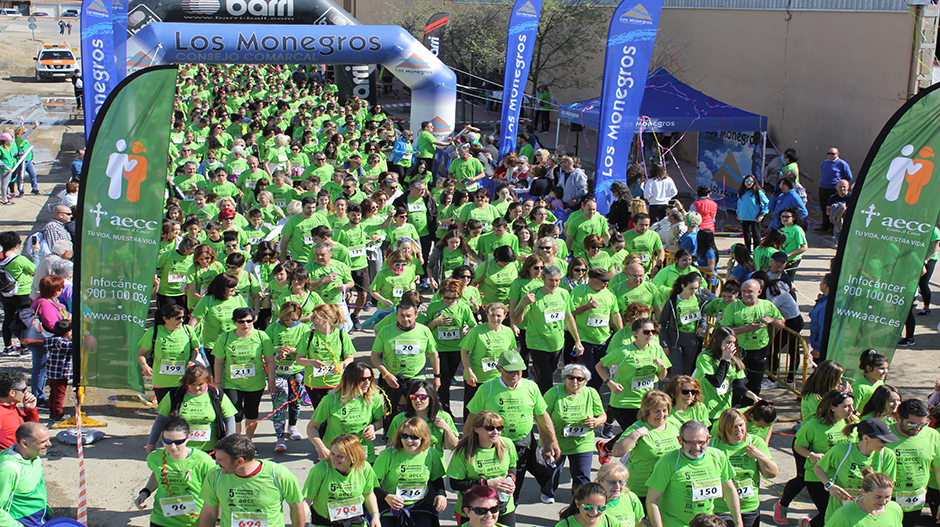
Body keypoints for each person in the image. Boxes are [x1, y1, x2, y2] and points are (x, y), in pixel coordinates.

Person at [466, 350, 562, 503]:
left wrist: (552, 441)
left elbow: (542, 416)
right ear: (499, 369)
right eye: (509, 371)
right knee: (497, 485)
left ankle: (511, 508)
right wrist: (466, 444)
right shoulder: (487, 389)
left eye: (518, 371)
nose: (514, 374)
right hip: (495, 446)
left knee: (515, 483)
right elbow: (472, 418)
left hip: (521, 443)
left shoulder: (531, 387)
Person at [646, 419, 743, 527]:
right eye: (691, 443)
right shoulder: (667, 462)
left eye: (701, 443)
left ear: (709, 440)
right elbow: (652, 500)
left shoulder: (718, 457)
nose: (696, 448)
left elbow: (729, 490)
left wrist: (739, 522)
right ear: (680, 440)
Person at [197, 434, 305, 527]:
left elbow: (296, 508)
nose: (216, 463)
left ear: (239, 461)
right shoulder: (215, 475)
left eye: (220, 460)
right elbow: (209, 512)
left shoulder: (278, 474)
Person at [598, 391, 679, 508]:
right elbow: (617, 452)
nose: (661, 415)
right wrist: (636, 434)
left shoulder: (674, 424)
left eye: (665, 410)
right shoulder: (637, 428)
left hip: (667, 488)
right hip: (641, 490)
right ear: (647, 411)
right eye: (656, 411)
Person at [370, 300, 440, 433]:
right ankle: (390, 436)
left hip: (416, 376)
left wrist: (437, 376)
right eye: (402, 315)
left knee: (416, 409)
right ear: (396, 315)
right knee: (391, 410)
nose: (405, 319)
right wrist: (386, 374)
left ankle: (414, 434)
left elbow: (433, 354)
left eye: (409, 315)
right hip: (391, 377)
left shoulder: (424, 331)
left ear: (416, 315)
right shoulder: (385, 331)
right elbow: (374, 356)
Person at [813, 418, 898, 525]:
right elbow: (818, 468)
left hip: (867, 513)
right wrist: (830, 486)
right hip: (839, 509)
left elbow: (887, 485)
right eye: (882, 440)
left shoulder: (887, 456)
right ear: (866, 438)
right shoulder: (841, 451)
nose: (887, 444)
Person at [512, 265, 582, 393]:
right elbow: (516, 320)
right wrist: (523, 304)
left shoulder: (563, 294)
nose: (554, 283)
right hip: (538, 344)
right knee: (546, 380)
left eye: (557, 280)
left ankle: (538, 390)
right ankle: (545, 408)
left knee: (551, 375)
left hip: (557, 344)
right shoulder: (533, 295)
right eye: (551, 280)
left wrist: (578, 341)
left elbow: (569, 318)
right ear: (543, 278)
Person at [134, 417, 215, 527]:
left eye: (178, 442)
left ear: (188, 438)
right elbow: (158, 474)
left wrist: (213, 519)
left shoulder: (204, 461)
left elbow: (215, 491)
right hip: (161, 518)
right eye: (167, 441)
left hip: (192, 521)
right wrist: (145, 492)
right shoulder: (154, 458)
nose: (172, 446)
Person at [543, 364, 606, 503]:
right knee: (552, 472)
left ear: (585, 381)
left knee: (582, 474)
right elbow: (542, 416)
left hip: (583, 441)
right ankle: (548, 491)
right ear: (565, 378)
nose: (575, 381)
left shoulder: (591, 393)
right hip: (557, 440)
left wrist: (596, 421)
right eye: (571, 377)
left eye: (580, 379)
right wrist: (547, 442)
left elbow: (603, 415)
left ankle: (580, 498)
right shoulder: (554, 393)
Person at [595, 318, 669, 433]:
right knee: (636, 433)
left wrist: (663, 367)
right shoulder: (624, 352)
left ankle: (607, 448)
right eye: (646, 332)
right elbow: (599, 366)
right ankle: (608, 448)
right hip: (624, 402)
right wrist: (610, 383)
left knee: (641, 433)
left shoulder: (656, 349)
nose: (650, 334)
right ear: (635, 334)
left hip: (646, 402)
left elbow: (662, 376)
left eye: (653, 332)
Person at [446, 411, 519, 527]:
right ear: (476, 429)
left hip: (503, 507)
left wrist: (511, 479)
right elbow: (455, 483)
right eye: (490, 428)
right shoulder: (463, 451)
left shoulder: (507, 444)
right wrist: (486, 483)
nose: (496, 432)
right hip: (475, 511)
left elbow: (512, 467)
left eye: (499, 428)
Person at [212, 307, 275, 439]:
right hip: (232, 383)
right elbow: (218, 362)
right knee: (236, 414)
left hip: (255, 383)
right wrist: (217, 383)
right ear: (234, 322)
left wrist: (271, 381)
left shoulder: (261, 336)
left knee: (252, 414)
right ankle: (237, 440)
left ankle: (249, 439)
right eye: (241, 321)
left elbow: (270, 360)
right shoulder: (225, 337)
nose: (245, 325)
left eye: (249, 321)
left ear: (254, 320)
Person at [372, 418, 447, 527]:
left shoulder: (431, 454)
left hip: (419, 506)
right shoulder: (388, 454)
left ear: (423, 437)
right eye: (404, 436)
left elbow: (436, 479)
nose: (408, 441)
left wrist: (441, 495)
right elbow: (372, 483)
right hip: (390, 507)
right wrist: (387, 496)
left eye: (414, 437)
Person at [710, 408, 778, 527]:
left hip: (749, 506)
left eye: (741, 425)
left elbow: (772, 473)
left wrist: (761, 456)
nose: (739, 430)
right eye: (733, 427)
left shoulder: (755, 442)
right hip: (721, 507)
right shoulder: (712, 445)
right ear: (724, 428)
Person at [148, 365, 237, 454]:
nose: (196, 388)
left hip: (211, 451)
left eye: (200, 384)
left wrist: (229, 443)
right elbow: (161, 420)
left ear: (207, 381)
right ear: (186, 382)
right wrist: (151, 443)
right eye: (192, 384)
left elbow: (229, 419)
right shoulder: (174, 395)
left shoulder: (217, 395)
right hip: (180, 450)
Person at [303, 434, 382, 527]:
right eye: (332, 453)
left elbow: (369, 494)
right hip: (325, 523)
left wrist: (375, 516)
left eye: (340, 456)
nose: (334, 459)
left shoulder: (364, 468)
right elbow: (306, 500)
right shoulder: (320, 470)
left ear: (353, 456)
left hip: (354, 522)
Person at [723, 279, 785, 397]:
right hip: (738, 350)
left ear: (759, 292)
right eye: (744, 291)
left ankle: (751, 406)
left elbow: (782, 323)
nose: (746, 294)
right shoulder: (732, 307)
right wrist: (746, 329)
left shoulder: (767, 305)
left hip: (760, 350)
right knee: (738, 381)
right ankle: (736, 406)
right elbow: (725, 330)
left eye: (750, 292)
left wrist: (772, 320)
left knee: (755, 382)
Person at [423, 279, 477, 411]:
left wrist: (467, 331)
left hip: (456, 348)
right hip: (438, 348)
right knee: (444, 378)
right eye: (447, 297)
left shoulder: (463, 308)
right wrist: (436, 322)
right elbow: (425, 328)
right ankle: (444, 408)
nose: (450, 300)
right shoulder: (434, 306)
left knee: (448, 377)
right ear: (441, 294)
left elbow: (473, 326)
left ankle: (440, 404)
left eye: (454, 297)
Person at [885, 399, 940, 527]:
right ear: (898, 417)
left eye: (923, 424)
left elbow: (938, 469)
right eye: (912, 424)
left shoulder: (933, 435)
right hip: (886, 500)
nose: (918, 428)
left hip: (916, 501)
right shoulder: (884, 435)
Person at [138, 304, 201, 403]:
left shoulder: (188, 330)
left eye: (183, 317)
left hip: (184, 381)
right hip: (161, 381)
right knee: (165, 413)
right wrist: (144, 366)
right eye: (178, 318)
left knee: (181, 412)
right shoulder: (153, 332)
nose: (181, 320)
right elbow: (141, 353)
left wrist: (192, 360)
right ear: (165, 319)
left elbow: (195, 348)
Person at [569, 269, 622, 388]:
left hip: (604, 340)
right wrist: (588, 306)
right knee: (589, 373)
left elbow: (615, 314)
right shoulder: (579, 291)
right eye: (603, 281)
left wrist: (621, 332)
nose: (606, 283)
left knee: (600, 373)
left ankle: (594, 397)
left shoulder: (609, 293)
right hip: (585, 340)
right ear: (593, 280)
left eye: (607, 281)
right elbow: (571, 311)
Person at [460, 302, 516, 409]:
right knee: (473, 409)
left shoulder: (508, 332)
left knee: (494, 408)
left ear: (505, 316)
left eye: (499, 315)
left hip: (498, 377)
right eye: (492, 315)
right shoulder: (476, 332)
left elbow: (511, 353)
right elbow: (464, 351)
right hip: (477, 378)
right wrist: (469, 372)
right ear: (487, 315)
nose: (495, 318)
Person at [188, 273, 248, 369]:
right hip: (214, 345)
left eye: (235, 285)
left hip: (235, 343)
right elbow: (194, 319)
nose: (235, 288)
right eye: (231, 286)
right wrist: (189, 338)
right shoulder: (208, 300)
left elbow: (247, 318)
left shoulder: (237, 298)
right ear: (221, 287)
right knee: (219, 376)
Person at [387, 380, 459, 457]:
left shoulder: (443, 417)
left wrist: (447, 429)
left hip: (434, 465)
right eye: (413, 397)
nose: (417, 400)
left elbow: (452, 446)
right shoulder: (400, 418)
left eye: (422, 397)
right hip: (407, 465)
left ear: (431, 398)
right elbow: (390, 446)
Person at [694, 327, 751, 421]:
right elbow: (716, 382)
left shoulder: (734, 360)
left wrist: (752, 395)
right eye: (728, 342)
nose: (731, 346)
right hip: (707, 410)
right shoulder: (705, 358)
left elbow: (738, 385)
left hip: (724, 410)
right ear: (717, 341)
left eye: (734, 343)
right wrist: (725, 360)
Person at [0, 422, 51, 527]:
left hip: (39, 517)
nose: (49, 444)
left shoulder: (34, 456)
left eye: (48, 439)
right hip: (23, 521)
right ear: (25, 444)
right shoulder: (9, 470)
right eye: (43, 442)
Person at [659, 273, 709, 377]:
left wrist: (702, 326)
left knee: (688, 370)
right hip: (675, 339)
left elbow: (704, 315)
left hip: (692, 340)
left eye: (696, 288)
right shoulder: (672, 302)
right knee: (677, 371)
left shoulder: (700, 300)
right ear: (683, 286)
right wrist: (663, 343)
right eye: (691, 288)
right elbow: (662, 323)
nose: (694, 292)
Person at [824, 469, 903, 527]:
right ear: (863, 492)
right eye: (878, 497)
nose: (883, 501)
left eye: (887, 497)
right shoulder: (844, 515)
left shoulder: (895, 509)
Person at [0, 232, 36, 355]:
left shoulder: (0, 257)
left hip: (4, 293)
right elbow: (33, 268)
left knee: (8, 318)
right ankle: (24, 348)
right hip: (22, 293)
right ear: (16, 245)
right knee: (24, 319)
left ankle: (8, 347)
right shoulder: (19, 259)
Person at [594, 463, 644, 527]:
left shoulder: (630, 498)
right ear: (599, 481)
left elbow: (640, 523)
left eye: (621, 482)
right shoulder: (592, 502)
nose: (617, 486)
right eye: (612, 482)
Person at [42, 320, 73, 422]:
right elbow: (77, 347)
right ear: (68, 332)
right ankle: (58, 414)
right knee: (60, 394)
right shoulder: (64, 343)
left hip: (52, 372)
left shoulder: (51, 340)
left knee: (53, 392)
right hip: (61, 373)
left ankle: (52, 411)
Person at [818, 148, 853, 232]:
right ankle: (825, 225)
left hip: (834, 188)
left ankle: (833, 226)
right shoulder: (825, 163)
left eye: (832, 153)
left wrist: (841, 185)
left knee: (835, 209)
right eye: (829, 153)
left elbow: (849, 177)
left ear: (837, 154)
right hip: (823, 187)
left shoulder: (842, 164)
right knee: (825, 207)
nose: (830, 155)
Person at [554, 482, 619, 527]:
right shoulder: (564, 525)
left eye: (601, 508)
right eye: (588, 507)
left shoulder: (611, 523)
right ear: (577, 503)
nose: (595, 512)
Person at [0, 373, 37, 450]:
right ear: (12, 393)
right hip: (9, 458)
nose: (26, 393)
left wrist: (30, 410)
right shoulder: (2, 413)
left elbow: (31, 428)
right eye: (23, 390)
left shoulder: (12, 407)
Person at [736, 175, 768, 252]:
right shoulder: (741, 192)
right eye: (747, 181)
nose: (749, 183)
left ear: (754, 182)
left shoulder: (758, 192)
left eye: (751, 181)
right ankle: (747, 251)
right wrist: (738, 213)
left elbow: (767, 203)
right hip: (744, 216)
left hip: (755, 217)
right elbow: (739, 204)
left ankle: (757, 251)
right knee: (746, 235)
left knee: (756, 235)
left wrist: (762, 214)